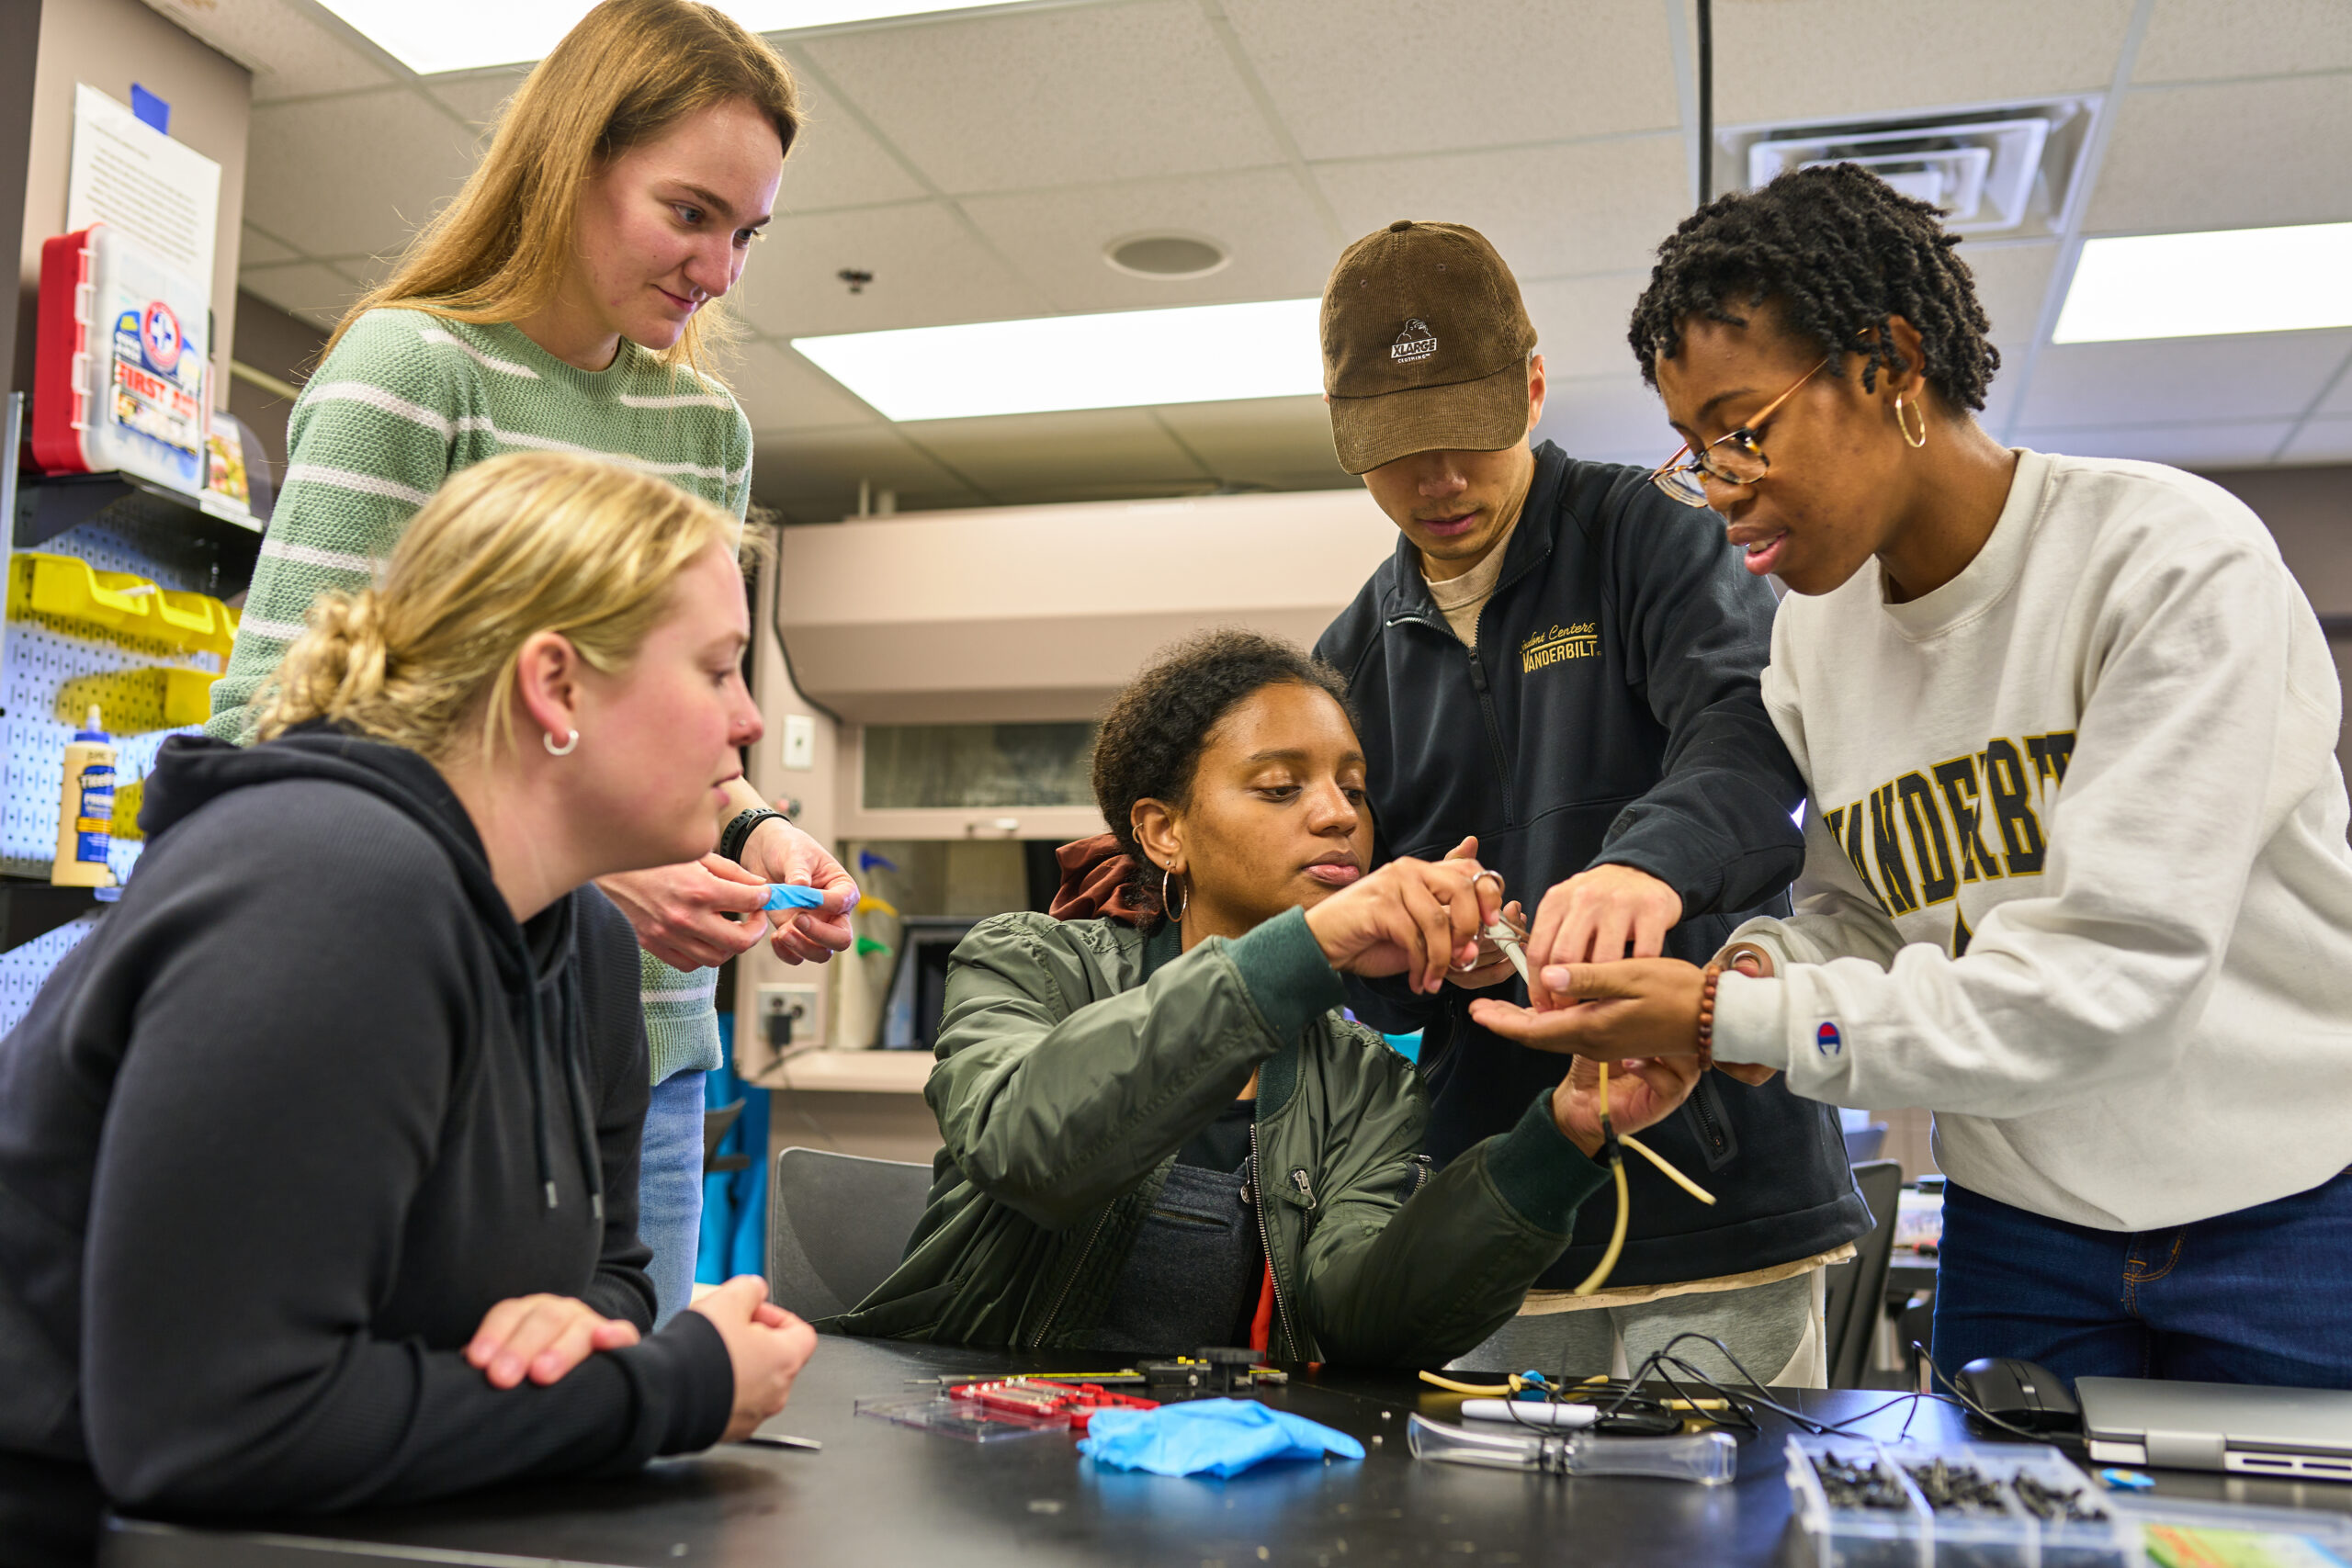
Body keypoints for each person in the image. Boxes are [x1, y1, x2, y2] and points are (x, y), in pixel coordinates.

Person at [1482, 164, 2352, 1390]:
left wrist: (1728, 1015)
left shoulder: (2167, 563)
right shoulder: (1818, 639)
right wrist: (1733, 983)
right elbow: (1858, 919)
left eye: (1740, 429)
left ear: (1889, 363)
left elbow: (2113, 976)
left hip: (2285, 1208)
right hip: (2023, 1223)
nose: (1721, 490)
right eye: (1693, 452)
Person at [0, 454, 819, 1567]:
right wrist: (673, 1386)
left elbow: (612, 1271)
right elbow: (211, 1426)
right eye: (719, 670)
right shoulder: (328, 889)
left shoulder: (580, 943)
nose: (750, 722)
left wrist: (580, 1335)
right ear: (556, 686)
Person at [202, 0, 855, 1323]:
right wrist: (597, 883)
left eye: (748, 233)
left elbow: (676, 729)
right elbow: (276, 730)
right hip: (445, 1027)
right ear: (572, 165)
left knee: (623, 1463)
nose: (722, 270)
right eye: (690, 215)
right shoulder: (414, 368)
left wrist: (756, 825)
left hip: (658, 1053)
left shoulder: (704, 427)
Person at [1311, 220, 1866, 1383]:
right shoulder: (1350, 658)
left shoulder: (1655, 536)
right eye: (1399, 450)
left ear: (1533, 385)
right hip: (1501, 1198)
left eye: (1467, 434)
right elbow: (1358, 934)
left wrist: (1643, 866)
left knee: (1734, 1524)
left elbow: (1749, 732)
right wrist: (1424, 947)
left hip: (1722, 1183)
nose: (1440, 481)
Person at [831, 631, 1702, 1359]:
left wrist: (1561, 1139)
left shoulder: (1362, 1077)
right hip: (976, 1444)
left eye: (1355, 790)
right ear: (1164, 831)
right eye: (1281, 788)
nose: (1338, 816)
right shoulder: (1034, 963)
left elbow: (1363, 1324)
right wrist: (1311, 946)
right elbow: (1031, 1150)